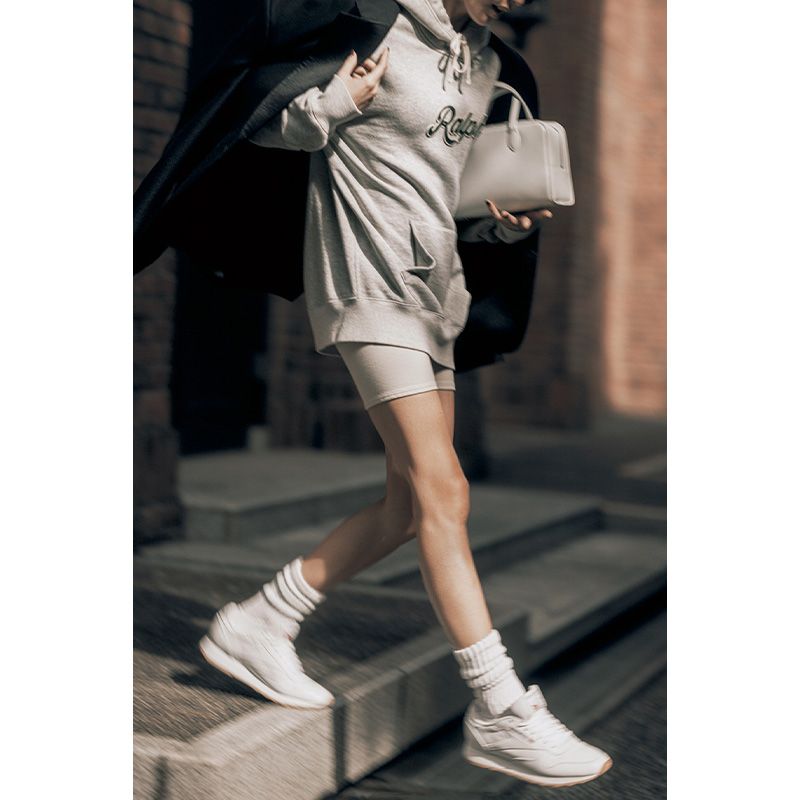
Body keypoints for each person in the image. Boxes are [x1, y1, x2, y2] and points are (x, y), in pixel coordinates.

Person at [199, 0, 612, 787]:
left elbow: (441, 192)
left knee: (409, 506)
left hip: (434, 295)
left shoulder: (487, 63)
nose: (510, 4)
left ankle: (260, 621)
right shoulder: (372, 23)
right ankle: (500, 707)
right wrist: (331, 106)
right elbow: (254, 122)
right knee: (443, 487)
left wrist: (501, 226)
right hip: (366, 283)